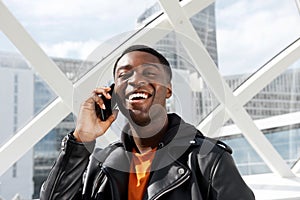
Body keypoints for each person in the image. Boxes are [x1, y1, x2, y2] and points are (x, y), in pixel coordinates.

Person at [40, 45, 255, 200]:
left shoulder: (208, 160)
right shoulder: (101, 162)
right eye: (124, 75)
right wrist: (81, 139)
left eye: (150, 73)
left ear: (168, 89)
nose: (135, 80)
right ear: (113, 93)